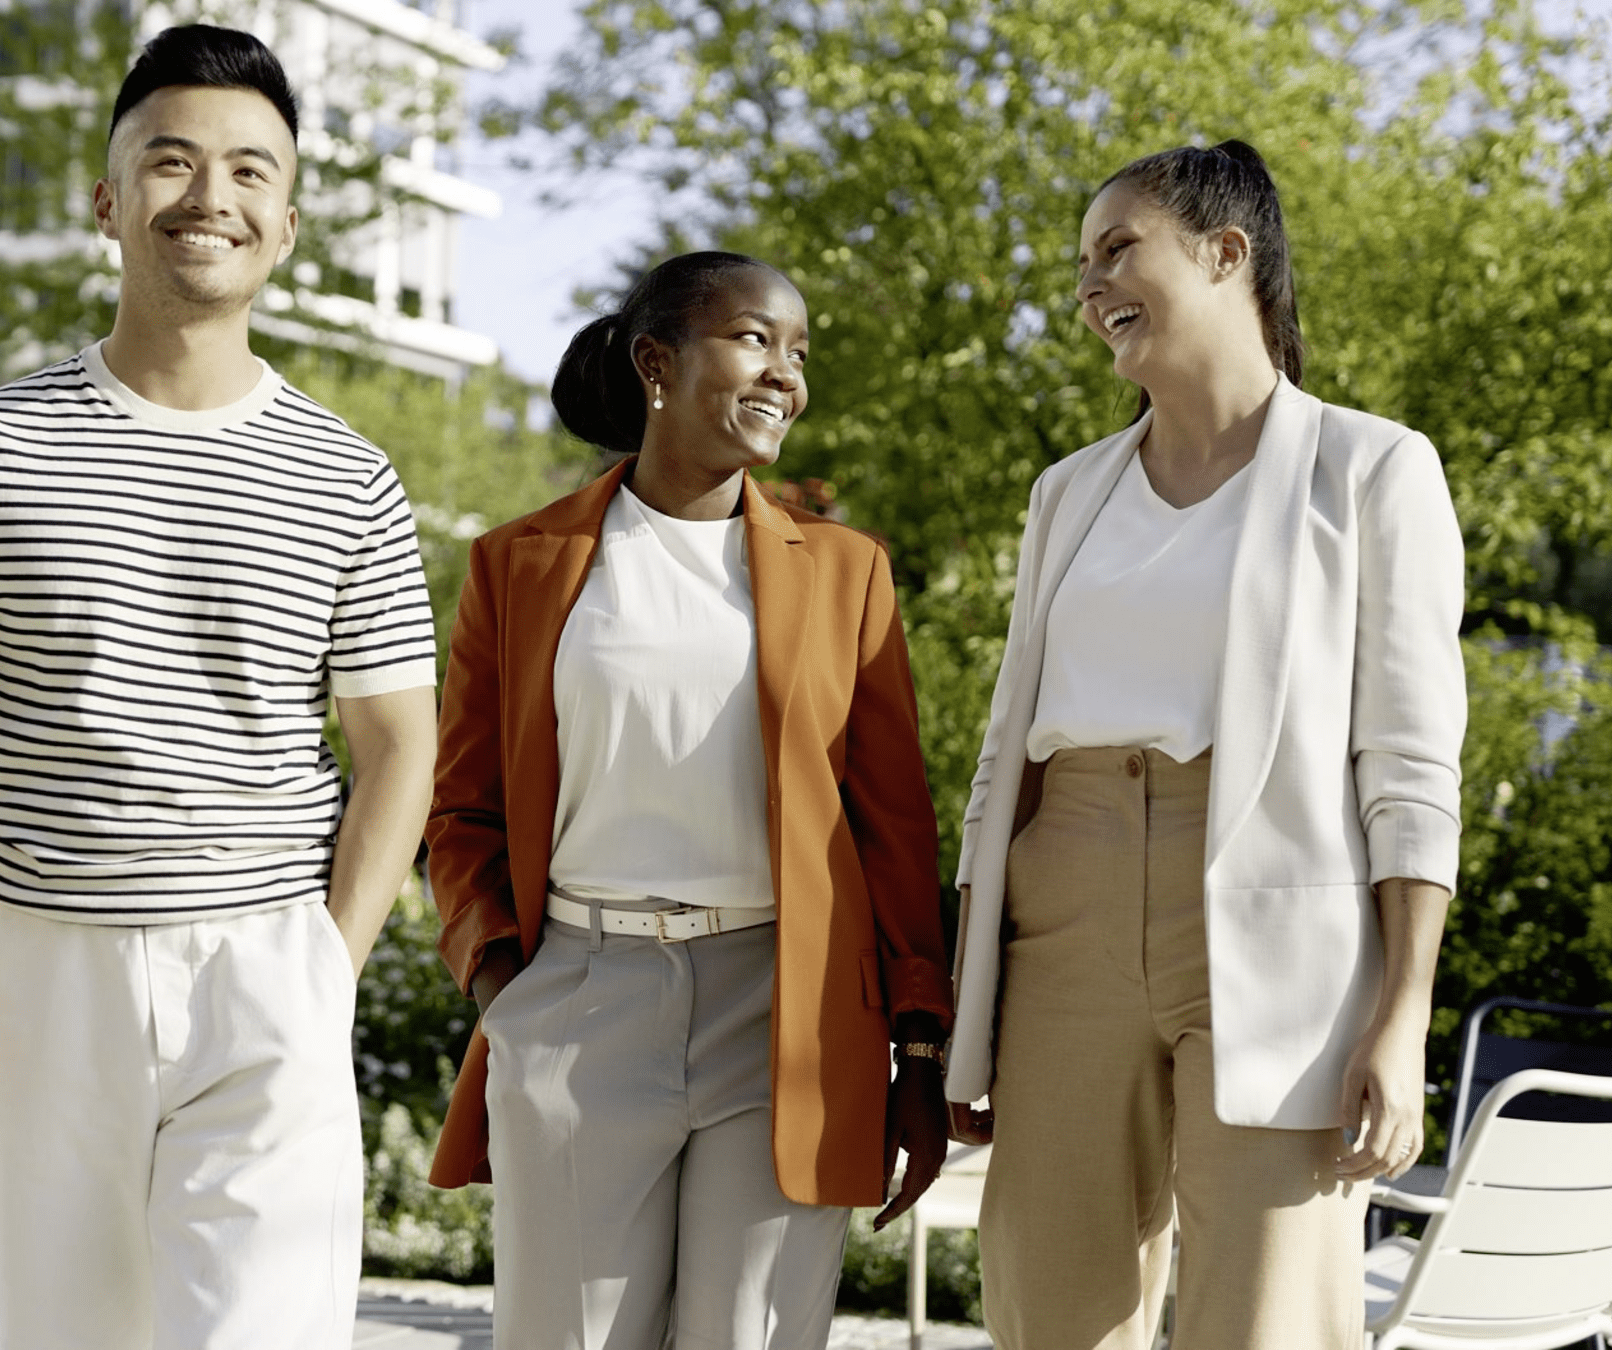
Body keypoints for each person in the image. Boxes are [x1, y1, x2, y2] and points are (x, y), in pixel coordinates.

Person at [0, 25, 438, 1350]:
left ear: (288, 221)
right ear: (107, 201)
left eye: (245, 171)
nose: (206, 197)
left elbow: (401, 742)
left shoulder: (351, 478)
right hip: (44, 966)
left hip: (266, 963)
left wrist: (328, 964)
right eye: (169, 162)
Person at [942, 140, 1465, 1350]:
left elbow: (1410, 764)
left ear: (1228, 254)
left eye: (1118, 249)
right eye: (1081, 266)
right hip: (1063, 905)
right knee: (1051, 1307)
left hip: (1283, 928)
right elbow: (1001, 756)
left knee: (1267, 1316)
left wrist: (1403, 1012)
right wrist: (972, 991)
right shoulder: (1066, 492)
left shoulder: (1373, 468)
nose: (1088, 287)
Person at [426, 251, 957, 1350]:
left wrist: (920, 1052)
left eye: (799, 353)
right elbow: (462, 811)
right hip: (578, 994)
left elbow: (894, 829)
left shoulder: (847, 573)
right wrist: (501, 985)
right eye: (756, 339)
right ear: (657, 362)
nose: (786, 375)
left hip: (789, 1014)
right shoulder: (518, 567)